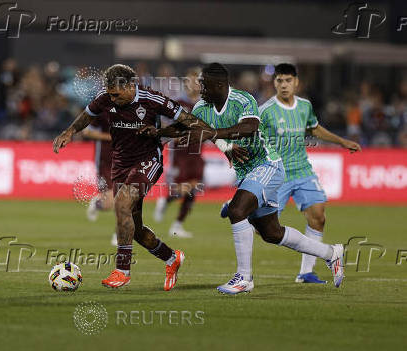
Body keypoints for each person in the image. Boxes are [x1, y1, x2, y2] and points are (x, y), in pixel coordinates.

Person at [140, 63, 346, 294]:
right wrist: (158, 134)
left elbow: (250, 127)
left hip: (267, 164)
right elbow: (183, 127)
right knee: (271, 233)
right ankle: (331, 253)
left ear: (219, 85)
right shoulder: (202, 107)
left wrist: (216, 134)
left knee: (238, 211)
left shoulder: (242, 100)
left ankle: (244, 278)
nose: (201, 88)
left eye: (204, 84)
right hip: (246, 172)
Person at [222, 63, 361, 284]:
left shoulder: (305, 106)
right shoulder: (265, 110)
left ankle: (306, 272)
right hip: (277, 173)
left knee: (318, 216)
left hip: (302, 170)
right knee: (266, 230)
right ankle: (243, 203)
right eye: (279, 81)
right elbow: (252, 137)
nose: (284, 85)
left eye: (288, 80)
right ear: (274, 83)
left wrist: (342, 141)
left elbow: (314, 128)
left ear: (296, 82)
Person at [53, 64, 185, 291]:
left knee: (121, 203)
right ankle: (172, 258)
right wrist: (69, 132)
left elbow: (182, 119)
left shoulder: (151, 99)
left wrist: (176, 134)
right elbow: (87, 116)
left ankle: (122, 271)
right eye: (109, 93)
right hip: (122, 164)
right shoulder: (106, 97)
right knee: (135, 229)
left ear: (130, 85)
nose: (111, 98)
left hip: (148, 160)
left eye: (116, 93)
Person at [154, 67, 204, 238]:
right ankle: (166, 200)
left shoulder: (204, 104)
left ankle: (177, 226)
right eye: (191, 81)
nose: (194, 84)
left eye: (198, 81)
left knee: (195, 187)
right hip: (180, 153)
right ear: (186, 83)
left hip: (197, 152)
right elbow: (164, 125)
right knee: (185, 188)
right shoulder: (176, 103)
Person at [82, 117, 118, 246]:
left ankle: (119, 234)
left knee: (124, 198)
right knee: (110, 202)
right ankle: (97, 203)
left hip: (127, 159)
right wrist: (111, 137)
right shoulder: (103, 109)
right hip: (106, 161)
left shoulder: (134, 109)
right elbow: (87, 132)